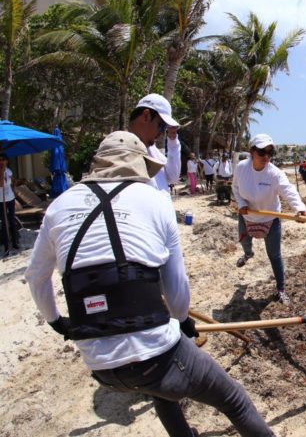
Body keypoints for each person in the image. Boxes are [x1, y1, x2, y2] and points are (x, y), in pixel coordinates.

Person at [25, 132, 275, 437]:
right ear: (138, 165)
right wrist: (182, 322)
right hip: (155, 359)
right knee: (234, 401)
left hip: (100, 367)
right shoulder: (155, 200)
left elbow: (35, 277)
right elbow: (176, 288)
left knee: (160, 384)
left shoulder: (58, 206)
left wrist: (57, 323)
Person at [233, 133, 306, 305]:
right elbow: (235, 188)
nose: (266, 157)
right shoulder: (241, 168)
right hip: (247, 214)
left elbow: (288, 190)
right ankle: (248, 253)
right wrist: (241, 203)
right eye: (262, 152)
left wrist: (300, 208)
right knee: (244, 240)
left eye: (270, 153)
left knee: (274, 255)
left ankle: (281, 290)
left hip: (270, 218)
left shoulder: (274, 173)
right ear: (252, 152)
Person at [130, 93, 181, 197]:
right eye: (161, 126)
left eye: (165, 128)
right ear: (146, 116)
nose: (162, 133)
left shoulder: (152, 150)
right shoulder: (119, 150)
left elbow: (173, 177)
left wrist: (173, 143)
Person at [0, 153, 19, 254]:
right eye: (0, 160)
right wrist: (1, 172)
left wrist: (13, 188)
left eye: (3, 160)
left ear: (7, 161)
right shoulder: (2, 170)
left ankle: (15, 242)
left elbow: (13, 181)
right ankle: (6, 244)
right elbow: (1, 184)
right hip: (1, 200)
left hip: (10, 198)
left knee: (12, 219)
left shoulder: (8, 171)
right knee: (4, 222)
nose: (2, 161)